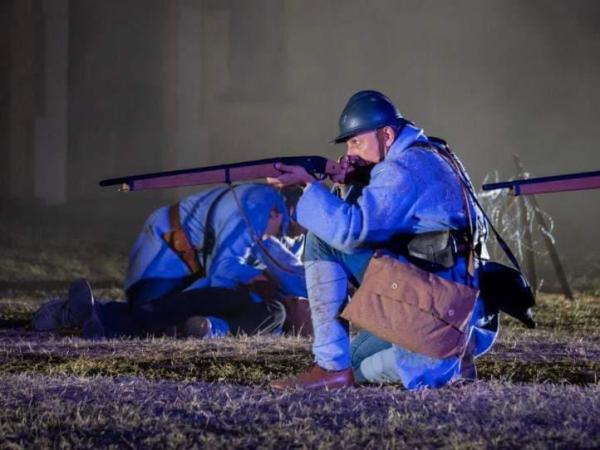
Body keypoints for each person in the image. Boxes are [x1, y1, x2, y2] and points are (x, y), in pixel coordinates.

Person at [267, 90, 498, 390]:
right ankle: (442, 361)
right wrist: (355, 181)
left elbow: (351, 232)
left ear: (386, 134)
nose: (350, 153)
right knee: (357, 359)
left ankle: (328, 367)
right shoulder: (430, 155)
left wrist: (310, 187)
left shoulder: (402, 169)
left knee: (322, 241)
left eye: (356, 141)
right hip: (458, 314)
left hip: (434, 319)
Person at [32, 183, 312, 339]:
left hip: (242, 306)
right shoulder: (268, 234)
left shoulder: (276, 309)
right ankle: (87, 314)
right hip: (200, 273)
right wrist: (254, 278)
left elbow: (288, 274)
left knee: (263, 308)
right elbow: (270, 266)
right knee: (204, 301)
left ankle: (98, 316)